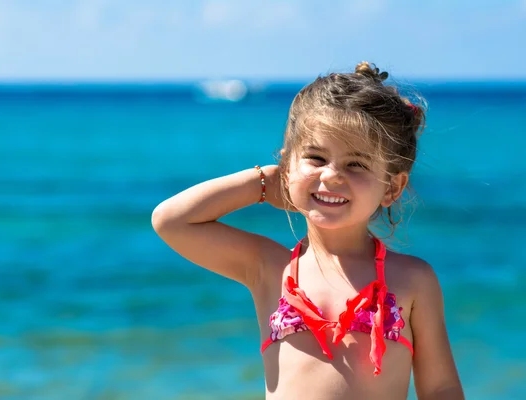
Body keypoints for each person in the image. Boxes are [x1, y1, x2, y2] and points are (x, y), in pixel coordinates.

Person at [151, 62, 464, 400]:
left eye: (356, 164)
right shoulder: (269, 268)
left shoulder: (412, 279)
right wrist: (264, 182)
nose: (331, 176)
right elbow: (171, 220)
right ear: (288, 169)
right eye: (316, 158)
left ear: (392, 187)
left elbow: (440, 388)